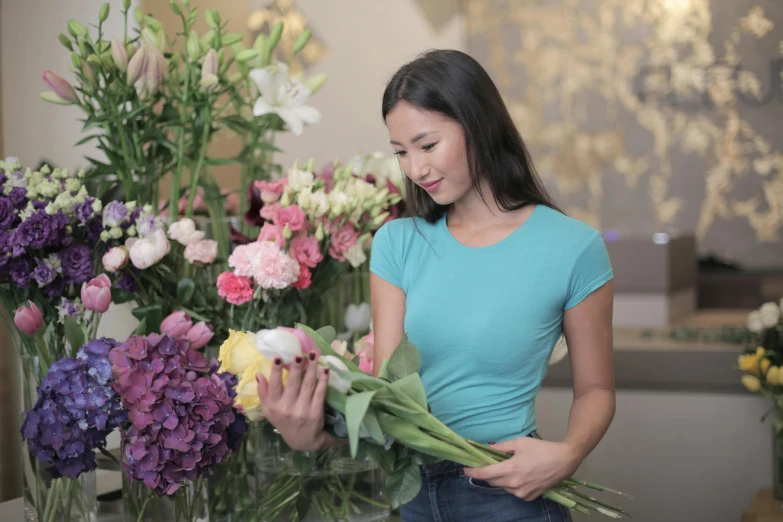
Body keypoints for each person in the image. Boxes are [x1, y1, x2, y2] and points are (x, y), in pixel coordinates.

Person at [257, 49, 616, 522]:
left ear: (478, 124)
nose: (415, 169)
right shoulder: (397, 243)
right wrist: (313, 434)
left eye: (427, 145)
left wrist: (568, 453)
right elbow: (390, 399)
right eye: (401, 152)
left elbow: (596, 389)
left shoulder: (572, 247)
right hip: (412, 495)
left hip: (509, 492)